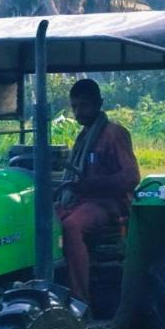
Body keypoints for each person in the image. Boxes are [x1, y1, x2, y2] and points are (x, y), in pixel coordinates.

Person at [56, 78, 141, 304]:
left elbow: (132, 177)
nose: (78, 112)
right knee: (44, 220)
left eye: (83, 105)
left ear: (98, 103)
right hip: (83, 200)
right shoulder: (84, 136)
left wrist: (94, 183)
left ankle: (80, 301)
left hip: (110, 203)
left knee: (71, 227)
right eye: (74, 107)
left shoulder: (114, 134)